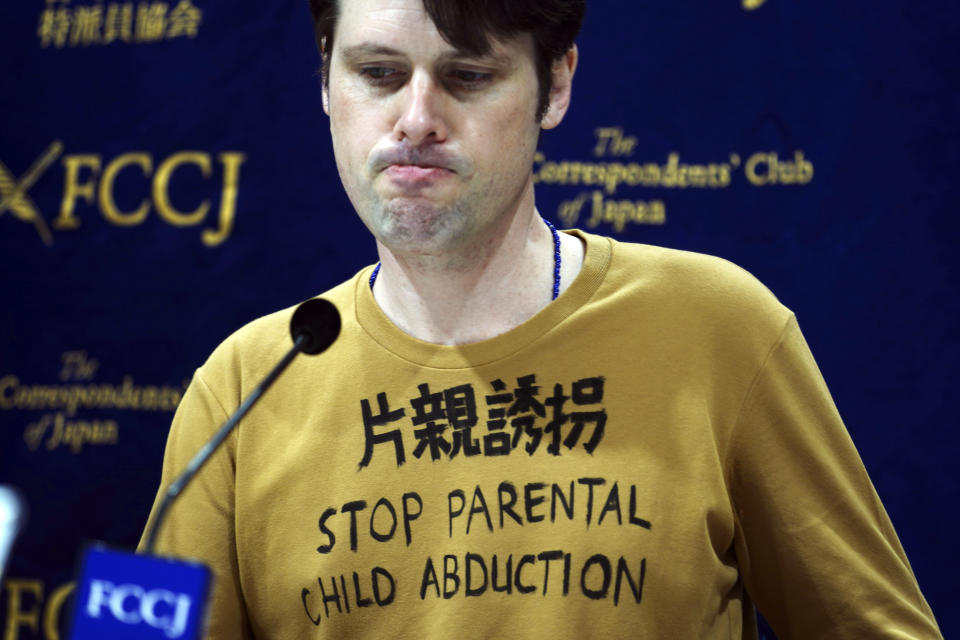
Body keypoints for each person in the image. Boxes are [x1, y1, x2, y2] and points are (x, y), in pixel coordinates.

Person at [141, 0, 943, 637]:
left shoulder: (720, 331)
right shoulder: (241, 384)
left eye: (467, 76)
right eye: (379, 73)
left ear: (556, 86)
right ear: (325, 81)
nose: (416, 117)